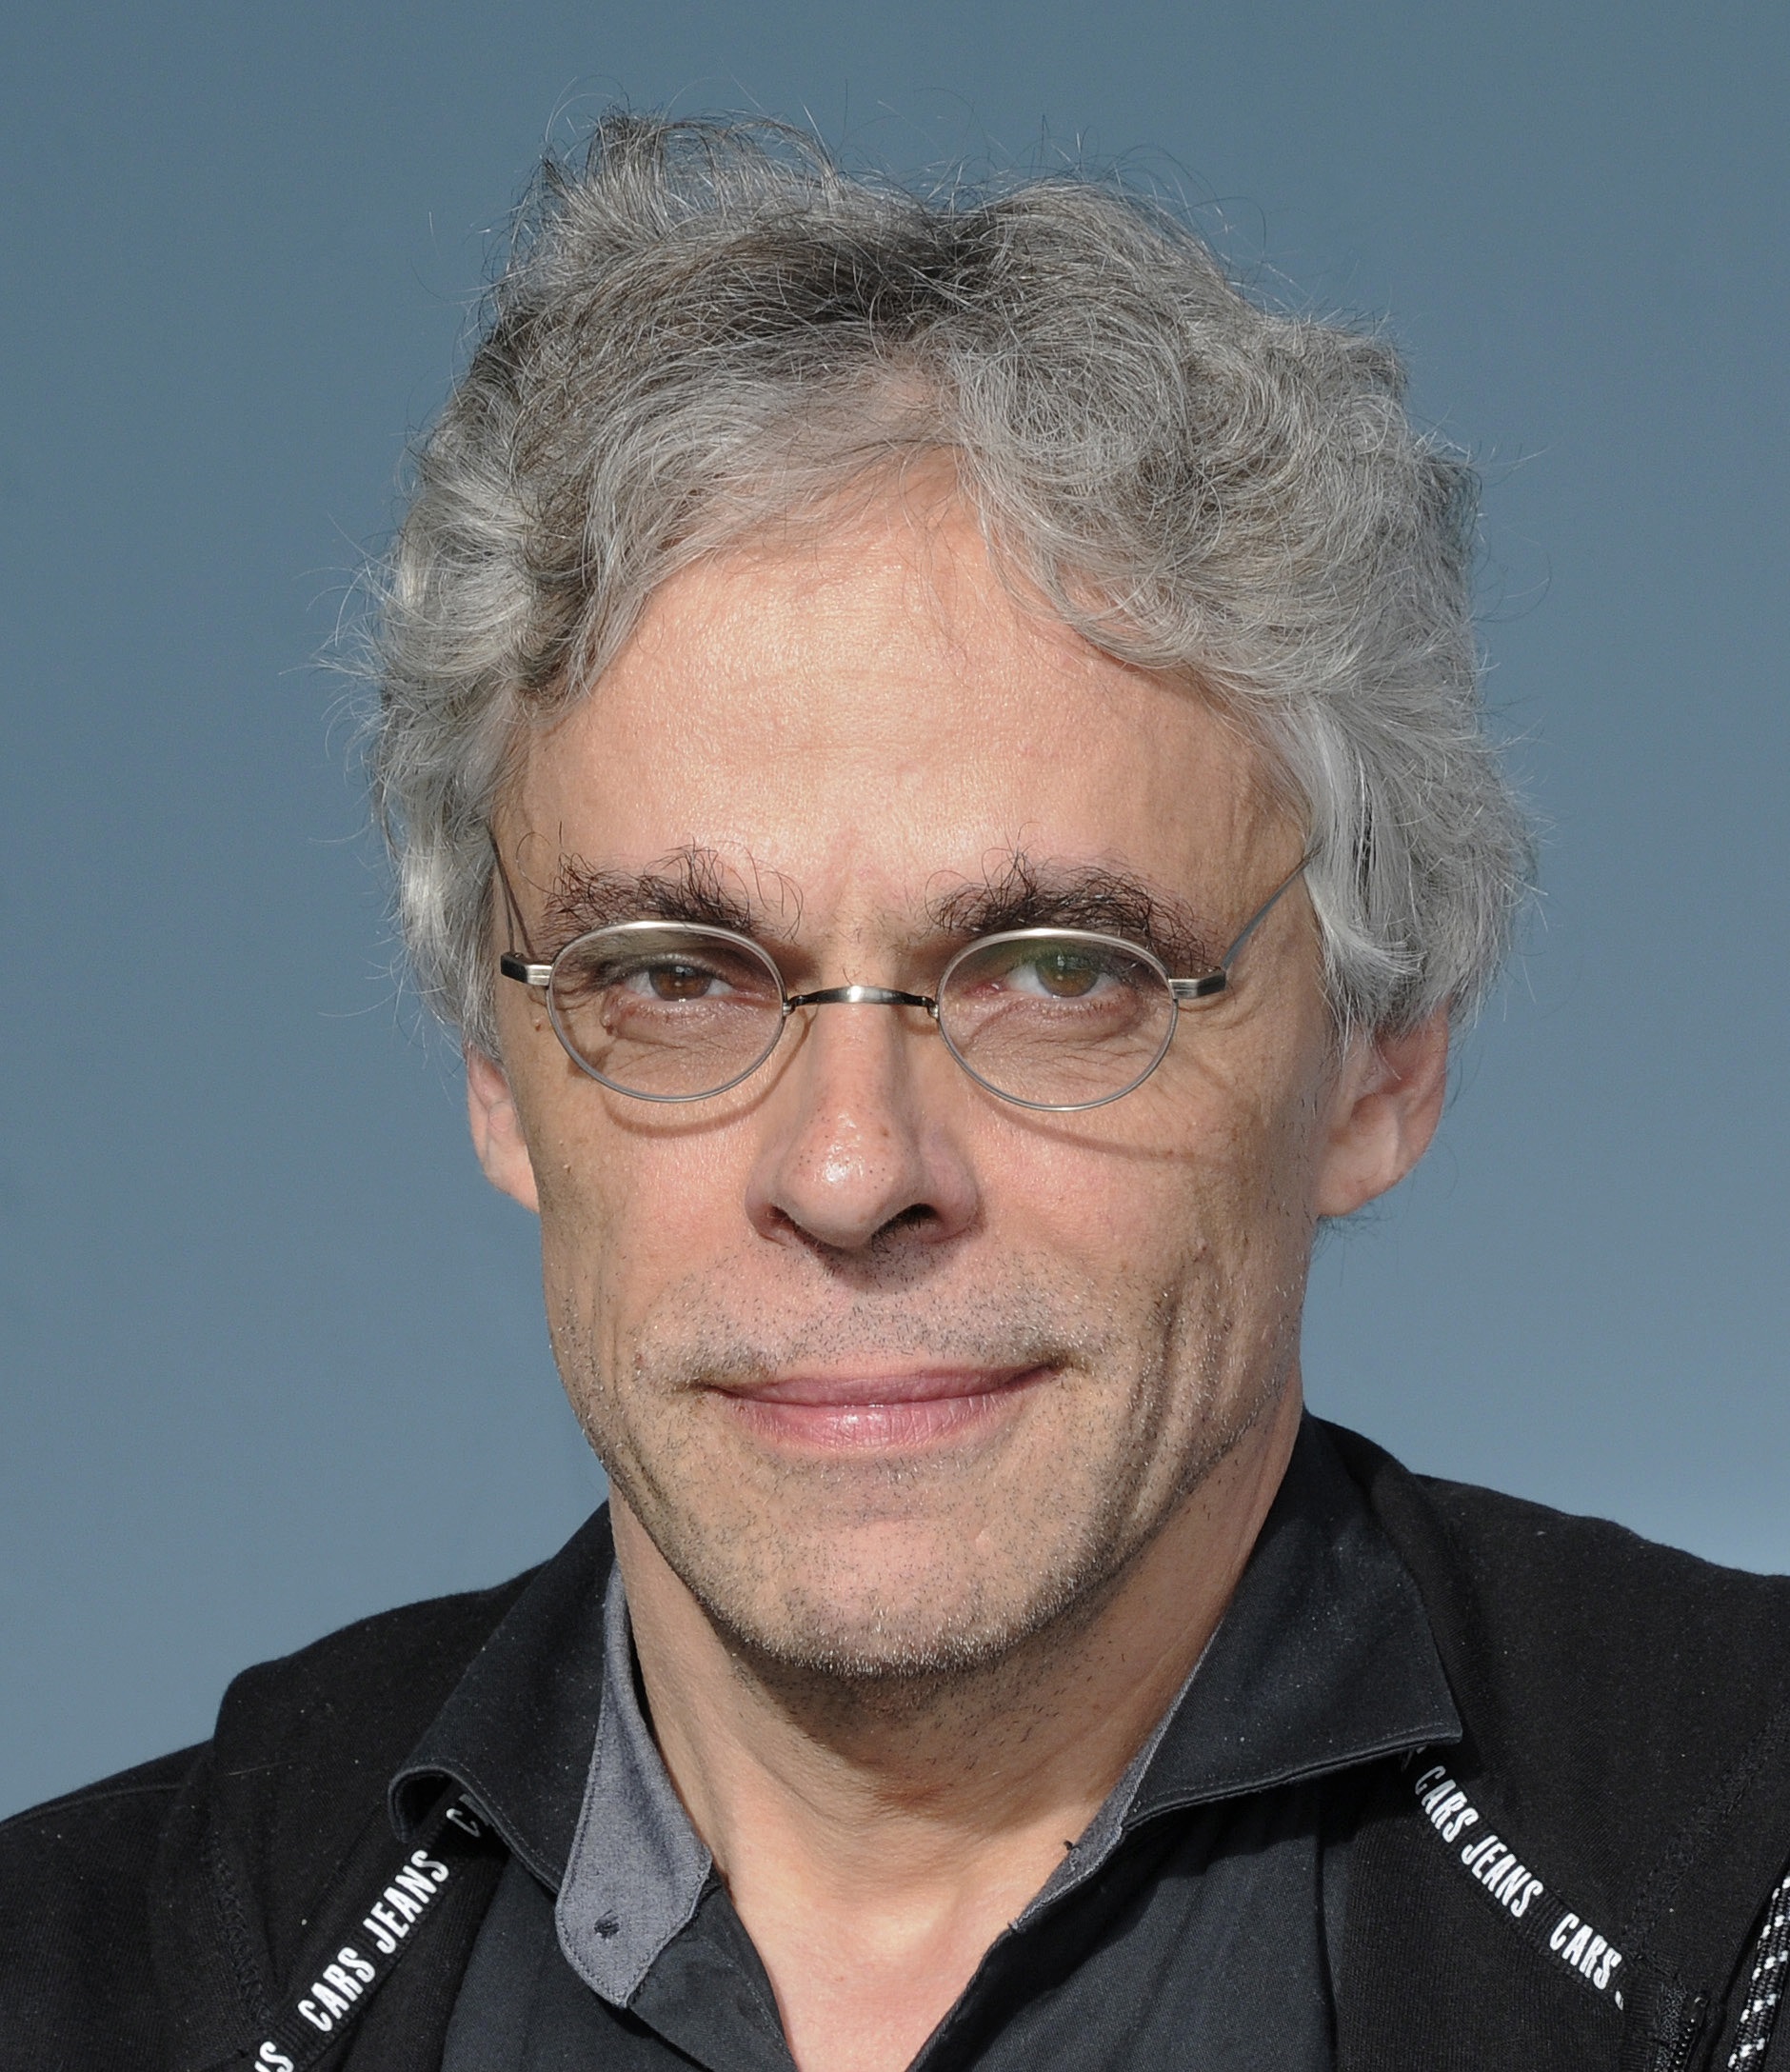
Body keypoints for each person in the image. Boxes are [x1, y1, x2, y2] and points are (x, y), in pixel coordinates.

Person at [5, 112, 1787, 2072]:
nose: (852, 1169)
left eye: (1059, 971)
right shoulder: (82, 1980)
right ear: (499, 1070)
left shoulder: (1740, 1877)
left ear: (1382, 1055)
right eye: (675, 975)